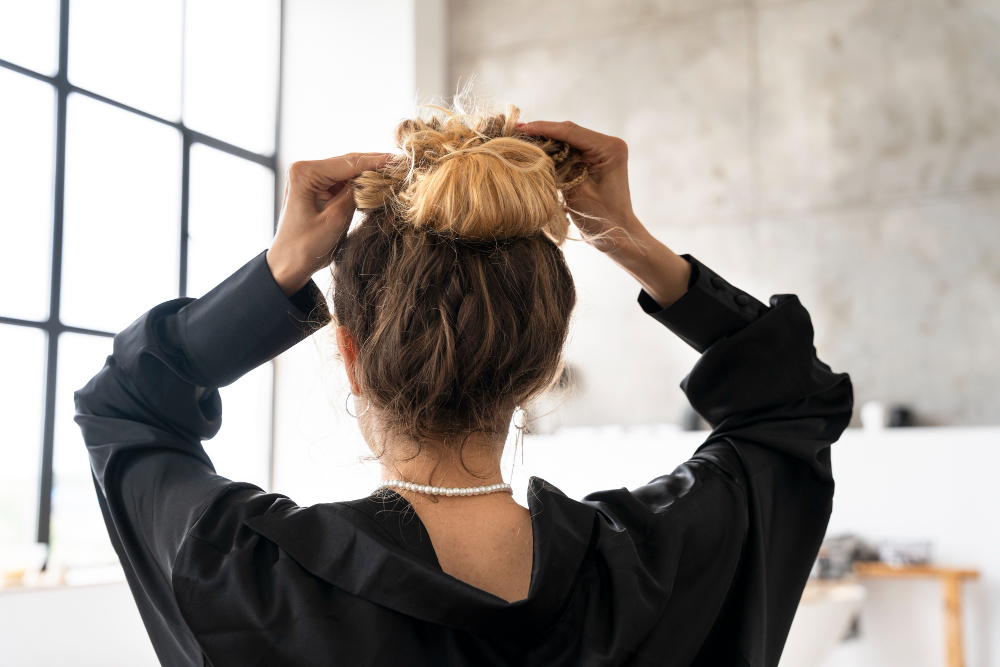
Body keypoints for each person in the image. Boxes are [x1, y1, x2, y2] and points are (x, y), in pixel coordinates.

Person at [76, 103, 853, 666]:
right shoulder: (663, 564)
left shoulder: (247, 574)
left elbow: (123, 406)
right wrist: (635, 242)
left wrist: (279, 273)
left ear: (349, 352)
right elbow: (789, 402)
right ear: (547, 362)